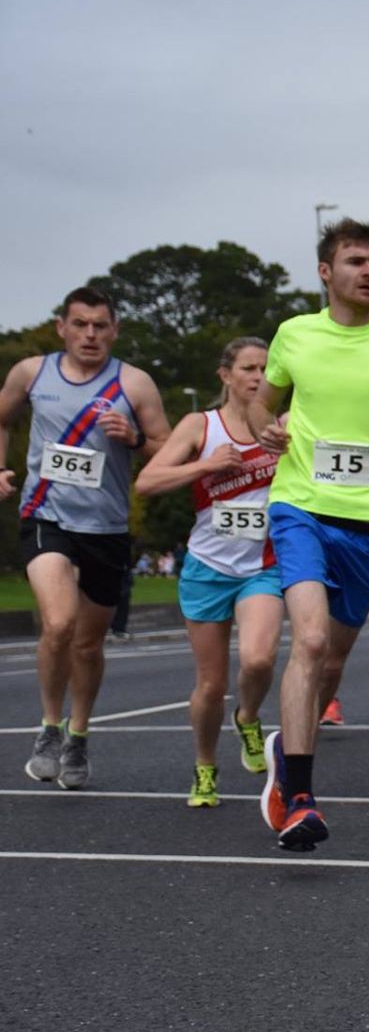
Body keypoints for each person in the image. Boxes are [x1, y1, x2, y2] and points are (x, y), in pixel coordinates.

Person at [248, 218, 369, 851]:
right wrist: (265, 428)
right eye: (356, 261)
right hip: (300, 504)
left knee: (330, 659)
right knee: (307, 640)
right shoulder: (295, 335)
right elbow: (263, 401)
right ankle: (302, 798)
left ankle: (288, 747)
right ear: (325, 273)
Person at [0, 287, 171, 789]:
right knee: (58, 623)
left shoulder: (134, 384)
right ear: (62, 327)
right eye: (81, 324)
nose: (90, 334)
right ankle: (49, 727)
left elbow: (168, 447)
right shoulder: (32, 373)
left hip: (106, 528)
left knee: (89, 644)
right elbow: (2, 416)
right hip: (44, 516)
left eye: (100, 325)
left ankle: (79, 734)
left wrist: (135, 438)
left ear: (114, 330)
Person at [133, 336, 283, 806]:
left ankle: (249, 717)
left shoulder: (281, 427)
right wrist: (205, 465)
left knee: (258, 659)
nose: (258, 377)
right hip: (209, 565)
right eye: (249, 368)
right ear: (226, 375)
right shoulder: (201, 425)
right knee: (211, 684)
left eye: (265, 369)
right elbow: (147, 481)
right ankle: (204, 767)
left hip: (263, 564)